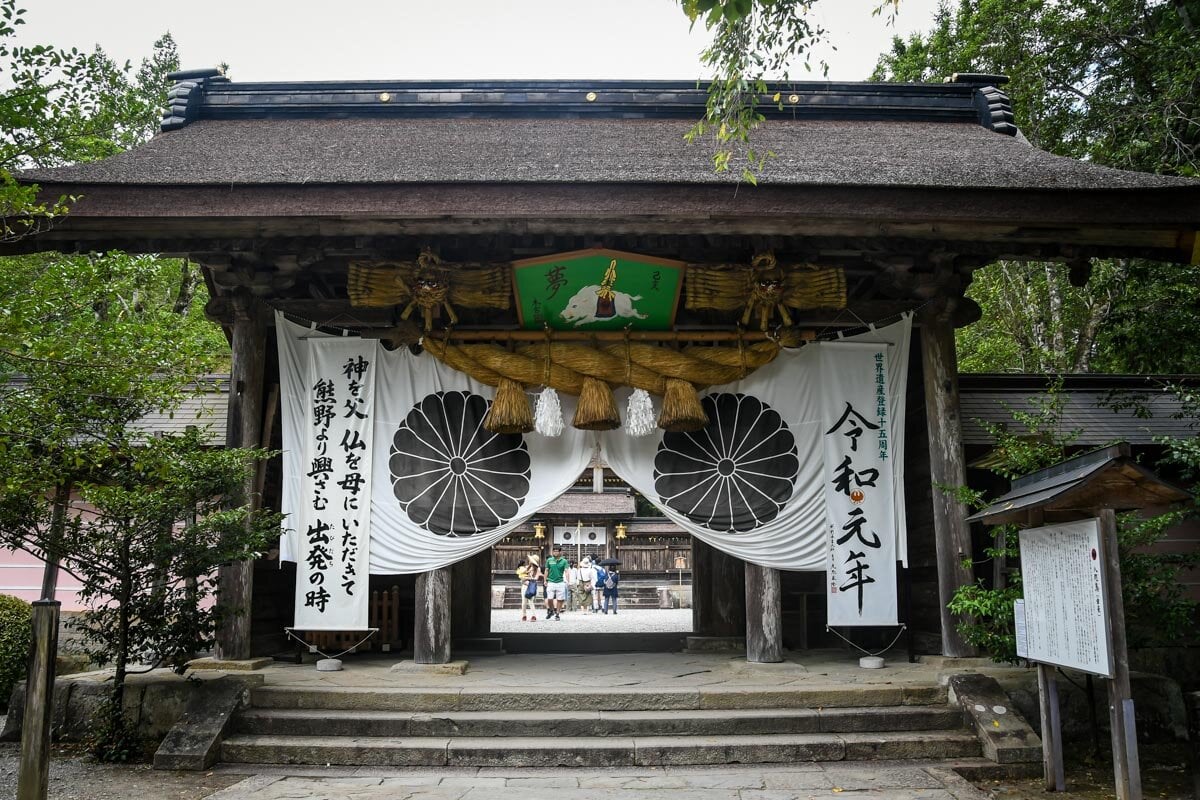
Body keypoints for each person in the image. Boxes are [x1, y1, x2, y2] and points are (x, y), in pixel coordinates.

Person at [543, 544, 570, 621]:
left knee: (560, 599)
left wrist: (568, 580)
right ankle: (551, 610)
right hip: (551, 581)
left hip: (560, 582)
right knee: (549, 598)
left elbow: (566, 571)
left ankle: (557, 614)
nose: (555, 553)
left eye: (556, 551)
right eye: (553, 551)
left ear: (560, 552)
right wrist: (545, 580)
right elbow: (546, 570)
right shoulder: (549, 560)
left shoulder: (564, 561)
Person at [516, 554, 540, 622]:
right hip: (524, 586)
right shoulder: (526, 567)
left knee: (531, 601)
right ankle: (524, 615)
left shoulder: (538, 569)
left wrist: (527, 578)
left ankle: (534, 615)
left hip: (531, 586)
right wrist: (529, 568)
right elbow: (521, 575)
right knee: (524, 602)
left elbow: (536, 578)